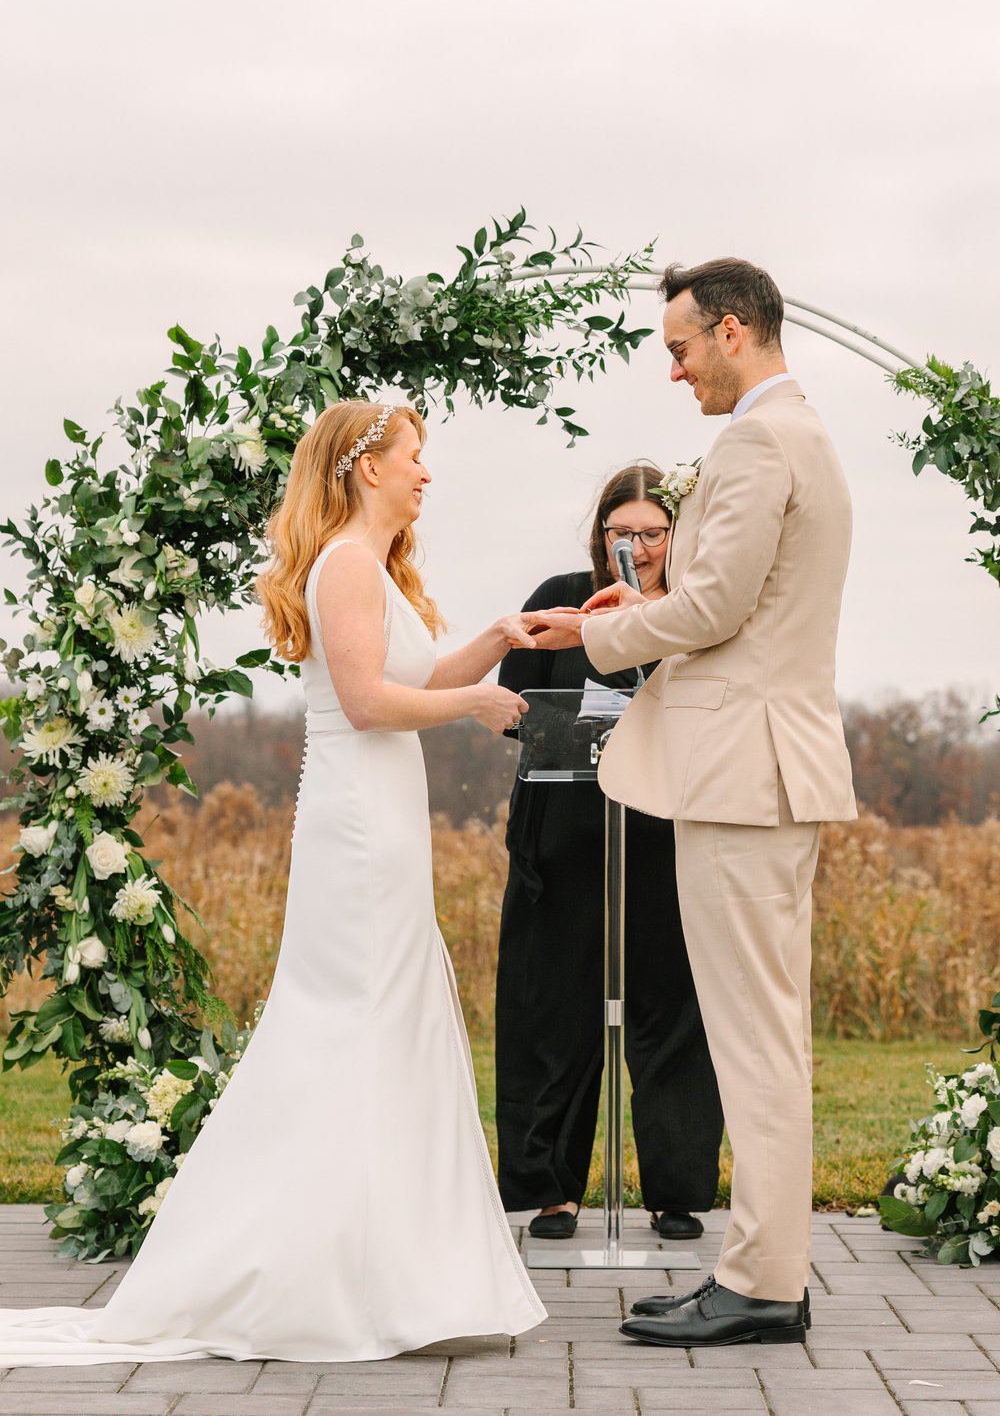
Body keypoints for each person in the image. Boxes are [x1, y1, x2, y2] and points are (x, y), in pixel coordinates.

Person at [0, 400, 546, 1366]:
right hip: (357, 831)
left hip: (382, 818)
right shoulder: (342, 564)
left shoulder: (373, 569)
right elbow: (374, 702)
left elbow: (407, 678)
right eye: (416, 458)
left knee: (383, 1025)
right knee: (353, 1023)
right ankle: (318, 1270)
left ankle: (382, 1270)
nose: (428, 474)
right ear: (367, 467)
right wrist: (472, 699)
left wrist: (496, 639)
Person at [525, 259, 857, 1349]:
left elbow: (714, 606)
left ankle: (762, 1283)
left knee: (753, 1037)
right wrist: (650, 601)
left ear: (730, 331)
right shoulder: (796, 436)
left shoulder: (761, 441)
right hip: (759, 769)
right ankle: (755, 1267)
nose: (673, 371)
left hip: (743, 773)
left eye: (678, 348)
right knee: (763, 1031)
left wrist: (602, 630)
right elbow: (734, 604)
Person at [495, 463, 723, 1242]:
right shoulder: (561, 595)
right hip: (564, 833)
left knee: (672, 1007)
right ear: (599, 535)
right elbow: (516, 707)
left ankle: (677, 1189)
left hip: (664, 831)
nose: (637, 546)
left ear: (676, 535)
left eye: (652, 533)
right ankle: (550, 1189)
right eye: (620, 532)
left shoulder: (693, 610)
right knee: (554, 1008)